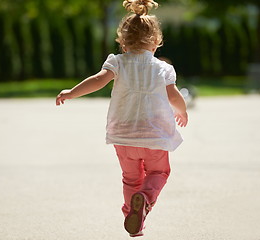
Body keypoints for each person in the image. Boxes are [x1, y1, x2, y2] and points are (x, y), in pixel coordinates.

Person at [56, 0, 188, 237]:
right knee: (158, 173)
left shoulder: (117, 62)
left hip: (123, 135)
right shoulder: (163, 69)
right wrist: (182, 110)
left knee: (131, 178)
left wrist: (72, 92)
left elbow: (97, 80)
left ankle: (132, 215)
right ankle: (144, 200)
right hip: (154, 135)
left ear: (123, 42)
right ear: (156, 42)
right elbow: (174, 96)